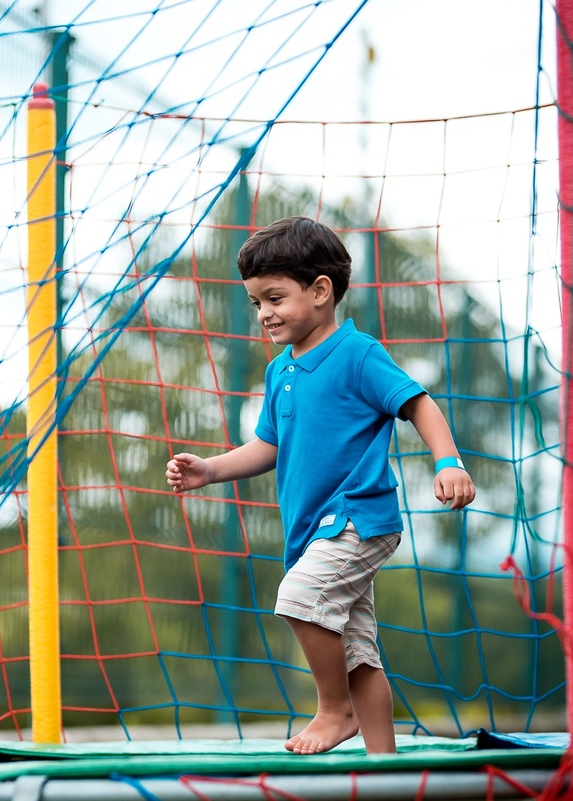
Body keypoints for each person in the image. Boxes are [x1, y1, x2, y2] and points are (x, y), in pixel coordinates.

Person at [165, 216, 475, 755]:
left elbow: (417, 403)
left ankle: (334, 713)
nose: (264, 314)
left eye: (275, 298)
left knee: (299, 597)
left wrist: (448, 462)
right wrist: (210, 469)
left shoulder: (357, 354)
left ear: (321, 291)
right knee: (357, 650)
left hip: (358, 518)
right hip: (314, 530)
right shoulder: (280, 371)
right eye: (257, 302)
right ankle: (384, 761)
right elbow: (270, 445)